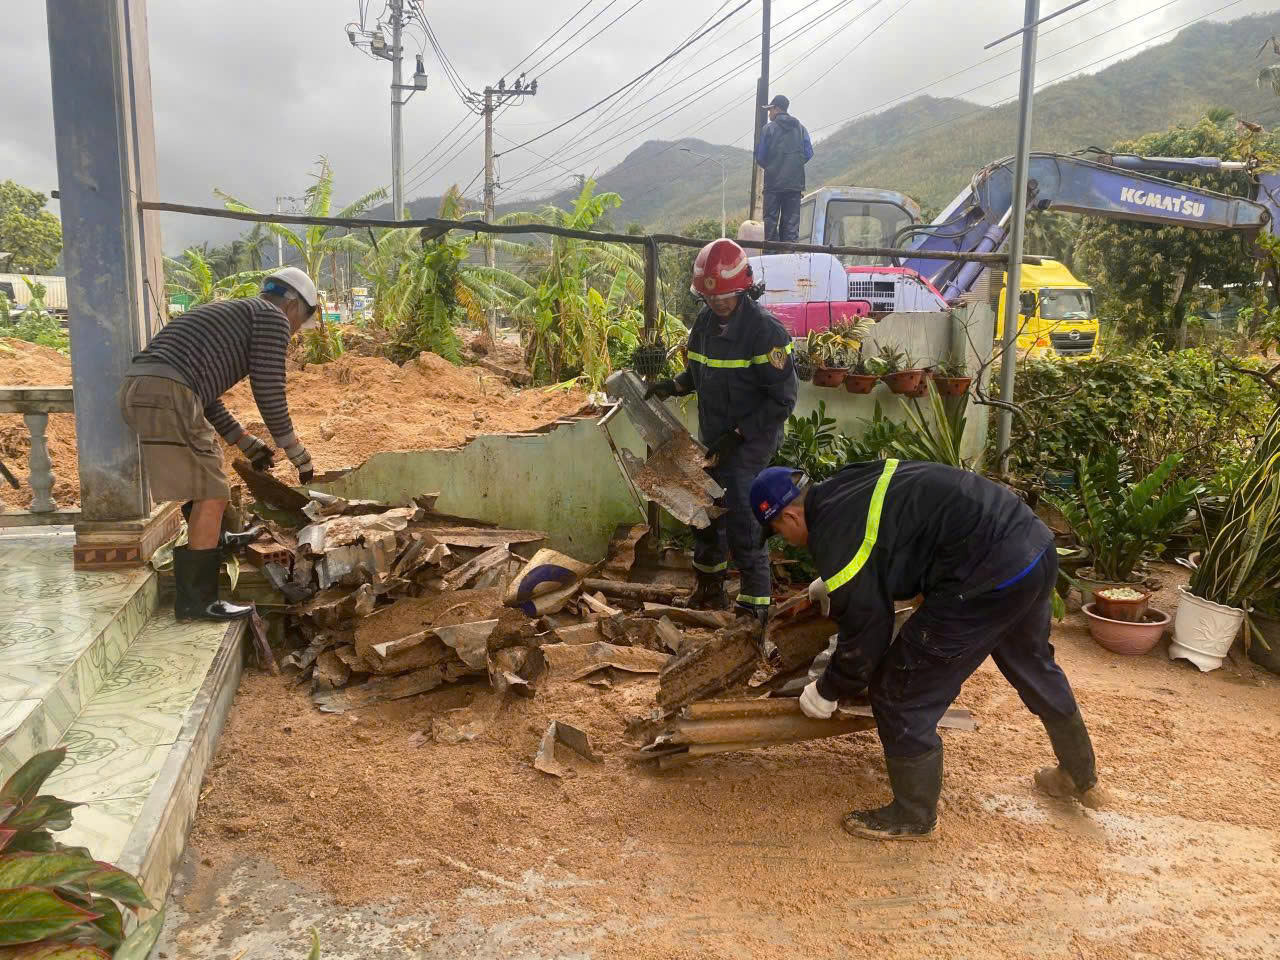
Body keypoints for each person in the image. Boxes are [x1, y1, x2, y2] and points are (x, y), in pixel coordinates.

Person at [749, 460, 1105, 841]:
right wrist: (835, 585)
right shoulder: (845, 485)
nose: (784, 540)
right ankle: (1079, 775)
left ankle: (914, 815)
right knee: (1032, 663)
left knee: (900, 691)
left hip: (987, 571)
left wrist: (828, 689)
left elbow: (868, 636)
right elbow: (886, 535)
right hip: (1031, 545)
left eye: (778, 532)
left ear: (790, 515)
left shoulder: (832, 535)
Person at [120, 267, 319, 622]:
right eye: (299, 321)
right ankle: (197, 602)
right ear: (292, 305)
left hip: (147, 388)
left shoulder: (240, 313)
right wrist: (296, 453)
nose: (293, 330)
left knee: (205, 468)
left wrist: (245, 442)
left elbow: (205, 396)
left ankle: (217, 537)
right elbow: (269, 389)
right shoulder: (272, 317)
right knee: (212, 490)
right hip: (168, 393)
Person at [644, 238, 797, 632]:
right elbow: (699, 373)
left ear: (744, 288)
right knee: (705, 513)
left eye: (725, 296)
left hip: (751, 441)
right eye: (710, 297)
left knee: (743, 514)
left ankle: (754, 606)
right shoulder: (704, 324)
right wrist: (673, 386)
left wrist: (739, 434)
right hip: (713, 439)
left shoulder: (765, 332)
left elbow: (783, 400)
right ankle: (710, 588)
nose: (718, 303)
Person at [756, 94, 813, 244]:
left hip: (773, 185)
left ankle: (771, 256)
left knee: (770, 225)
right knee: (791, 227)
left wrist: (773, 167)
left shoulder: (768, 129)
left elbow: (760, 157)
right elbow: (808, 153)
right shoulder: (801, 129)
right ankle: (790, 256)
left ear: (776, 109)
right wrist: (793, 166)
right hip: (794, 186)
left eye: (770, 110)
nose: (769, 113)